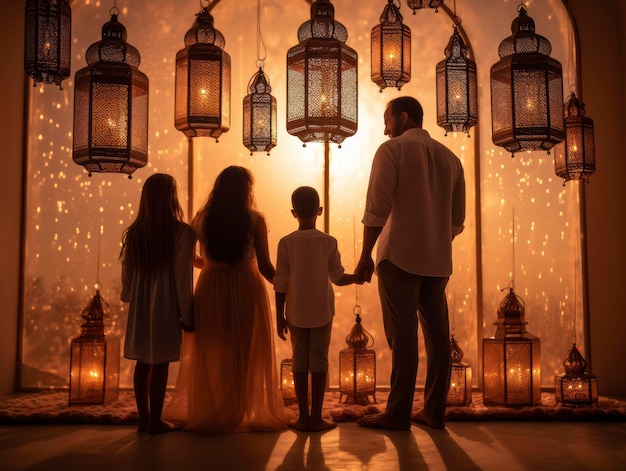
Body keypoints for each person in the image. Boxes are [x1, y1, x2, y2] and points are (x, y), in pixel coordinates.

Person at [355, 96, 466, 431]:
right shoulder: (451, 159)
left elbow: (377, 209)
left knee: (402, 338)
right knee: (438, 340)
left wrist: (364, 256)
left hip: (398, 257)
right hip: (437, 263)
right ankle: (434, 412)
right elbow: (456, 221)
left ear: (403, 118)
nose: (385, 129)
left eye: (388, 121)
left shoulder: (391, 151)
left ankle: (398, 413)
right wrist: (432, 241)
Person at [166, 166, 287, 433]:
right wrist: (287, 287)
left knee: (213, 350)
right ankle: (237, 411)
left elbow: (189, 257)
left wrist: (208, 264)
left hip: (212, 286)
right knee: (244, 351)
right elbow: (266, 266)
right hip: (246, 285)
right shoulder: (255, 220)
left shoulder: (203, 219)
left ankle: (214, 408)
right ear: (246, 191)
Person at [274, 186, 360, 432]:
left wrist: (280, 316)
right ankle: (317, 418)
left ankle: (302, 417)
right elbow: (338, 277)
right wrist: (357, 277)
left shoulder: (286, 243)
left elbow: (280, 284)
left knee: (299, 361)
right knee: (319, 361)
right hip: (323, 311)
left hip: (296, 312)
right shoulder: (328, 242)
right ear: (319, 211)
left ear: (294, 213)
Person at [120, 173, 195, 434]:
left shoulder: (135, 233)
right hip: (165, 305)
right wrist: (187, 314)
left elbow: (127, 275)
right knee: (160, 363)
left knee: (143, 362)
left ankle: (143, 419)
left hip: (140, 305)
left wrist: (129, 296)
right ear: (171, 198)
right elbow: (183, 278)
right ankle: (155, 420)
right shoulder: (182, 232)